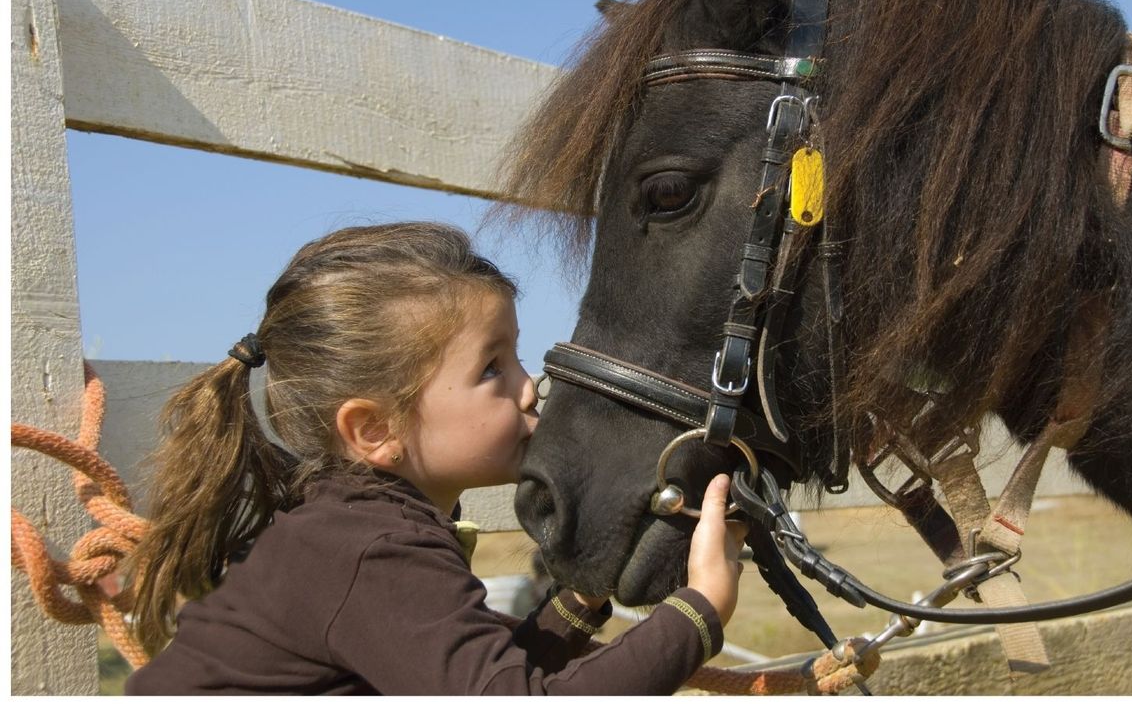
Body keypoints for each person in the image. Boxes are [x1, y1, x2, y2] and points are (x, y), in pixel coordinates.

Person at [125, 221, 746, 695]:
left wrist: (578, 601)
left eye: (516, 357)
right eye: (491, 367)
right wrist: (699, 611)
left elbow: (483, 677)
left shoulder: (352, 528)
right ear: (374, 429)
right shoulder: (373, 550)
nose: (529, 387)